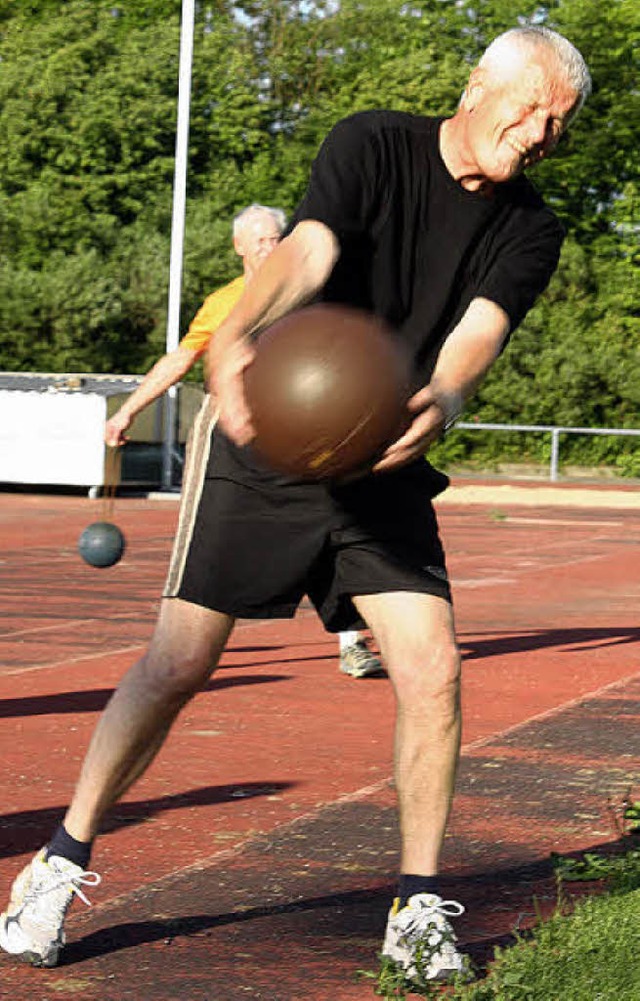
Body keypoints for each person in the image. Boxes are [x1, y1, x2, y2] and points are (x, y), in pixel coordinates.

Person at [0, 26, 590, 985]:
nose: (538, 133)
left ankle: (415, 908)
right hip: (263, 432)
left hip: (381, 457)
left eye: (558, 124)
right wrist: (235, 333)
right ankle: (60, 861)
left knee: (433, 667)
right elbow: (309, 248)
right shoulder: (372, 142)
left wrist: (442, 397)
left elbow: (478, 332)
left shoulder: (531, 227)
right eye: (527, 108)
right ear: (478, 84)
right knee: (180, 661)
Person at [104, 203, 383, 680]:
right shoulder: (223, 302)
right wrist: (128, 409)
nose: (272, 248)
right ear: (239, 248)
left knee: (333, 535)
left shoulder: (314, 294)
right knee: (211, 542)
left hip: (303, 436)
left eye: (278, 239)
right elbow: (180, 361)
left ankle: (352, 643)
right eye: (261, 241)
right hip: (234, 440)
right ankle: (183, 644)